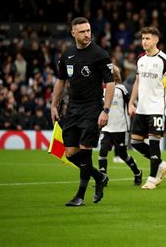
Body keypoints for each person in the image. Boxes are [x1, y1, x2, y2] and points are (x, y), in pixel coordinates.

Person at [51, 17, 115, 207]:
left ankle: (80, 195)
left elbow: (110, 84)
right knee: (70, 153)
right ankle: (99, 176)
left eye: (88, 31)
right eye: (82, 31)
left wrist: (106, 110)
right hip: (73, 109)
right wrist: (54, 105)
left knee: (86, 152)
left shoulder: (100, 54)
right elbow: (61, 81)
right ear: (73, 33)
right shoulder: (67, 55)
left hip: (93, 108)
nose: (87, 34)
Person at [128, 26, 166, 189]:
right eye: (142, 38)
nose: (144, 41)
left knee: (153, 143)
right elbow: (137, 82)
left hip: (158, 107)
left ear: (156, 40)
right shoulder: (141, 59)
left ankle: (152, 178)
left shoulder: (165, 60)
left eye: (147, 38)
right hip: (142, 108)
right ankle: (161, 164)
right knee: (135, 142)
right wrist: (131, 102)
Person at [98, 64, 143, 186]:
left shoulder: (121, 89)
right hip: (106, 127)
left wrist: (133, 108)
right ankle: (103, 178)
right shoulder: (102, 90)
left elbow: (130, 103)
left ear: (115, 76)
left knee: (122, 154)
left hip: (120, 127)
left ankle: (137, 172)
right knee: (102, 152)